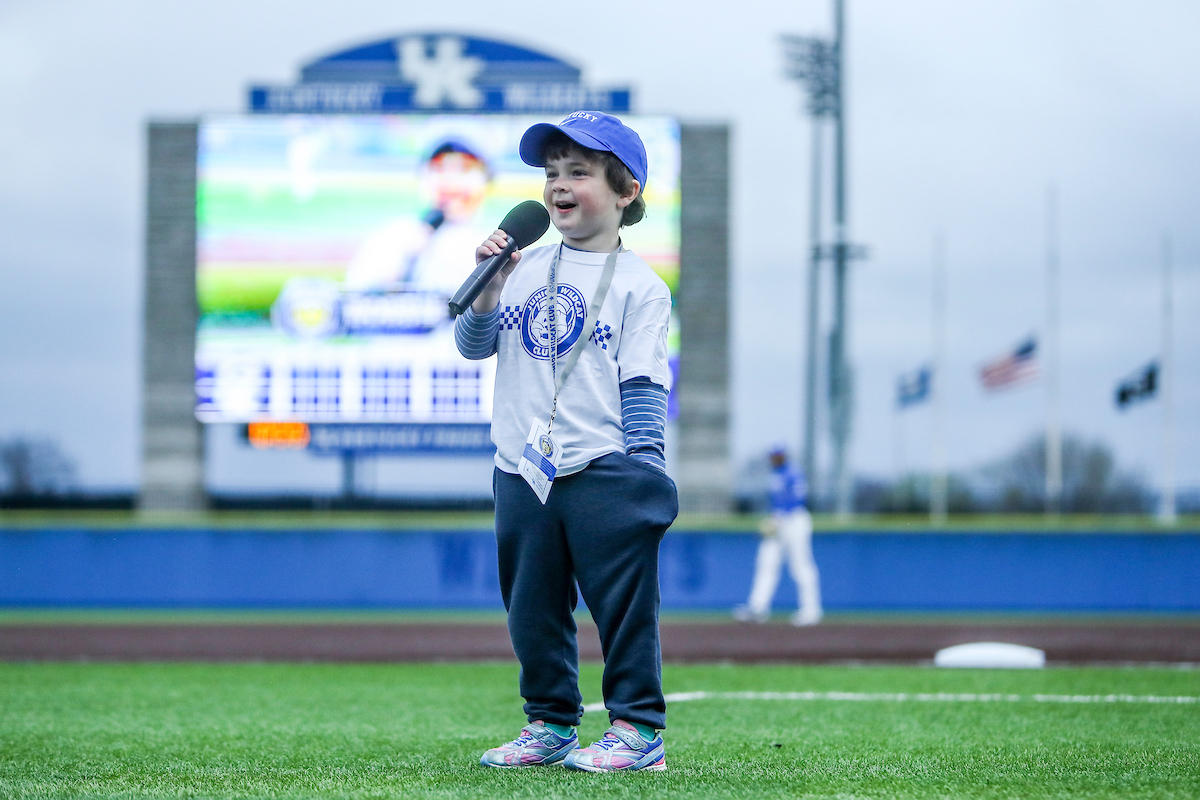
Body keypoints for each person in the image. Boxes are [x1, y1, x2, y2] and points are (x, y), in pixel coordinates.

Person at [454, 111, 676, 772]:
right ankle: (550, 723)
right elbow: (471, 347)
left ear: (625, 191)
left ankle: (639, 730)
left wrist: (647, 468)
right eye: (552, 171)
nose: (558, 184)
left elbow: (641, 382)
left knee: (622, 609)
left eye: (578, 171)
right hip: (521, 465)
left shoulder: (641, 285)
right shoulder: (520, 266)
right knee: (532, 608)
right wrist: (489, 290)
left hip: (603, 466)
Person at [343, 139, 494, 296]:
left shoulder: (493, 242)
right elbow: (354, 296)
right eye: (439, 167)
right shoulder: (395, 235)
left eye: (465, 168)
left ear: (487, 179)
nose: (450, 179)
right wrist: (402, 260)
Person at [734, 446, 823, 626]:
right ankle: (758, 608)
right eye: (772, 456)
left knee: (801, 565)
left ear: (783, 456)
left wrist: (778, 519)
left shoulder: (793, 473)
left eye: (777, 456)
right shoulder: (775, 475)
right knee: (766, 563)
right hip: (778, 521)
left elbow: (797, 500)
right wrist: (775, 520)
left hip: (794, 521)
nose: (774, 459)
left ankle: (811, 610)